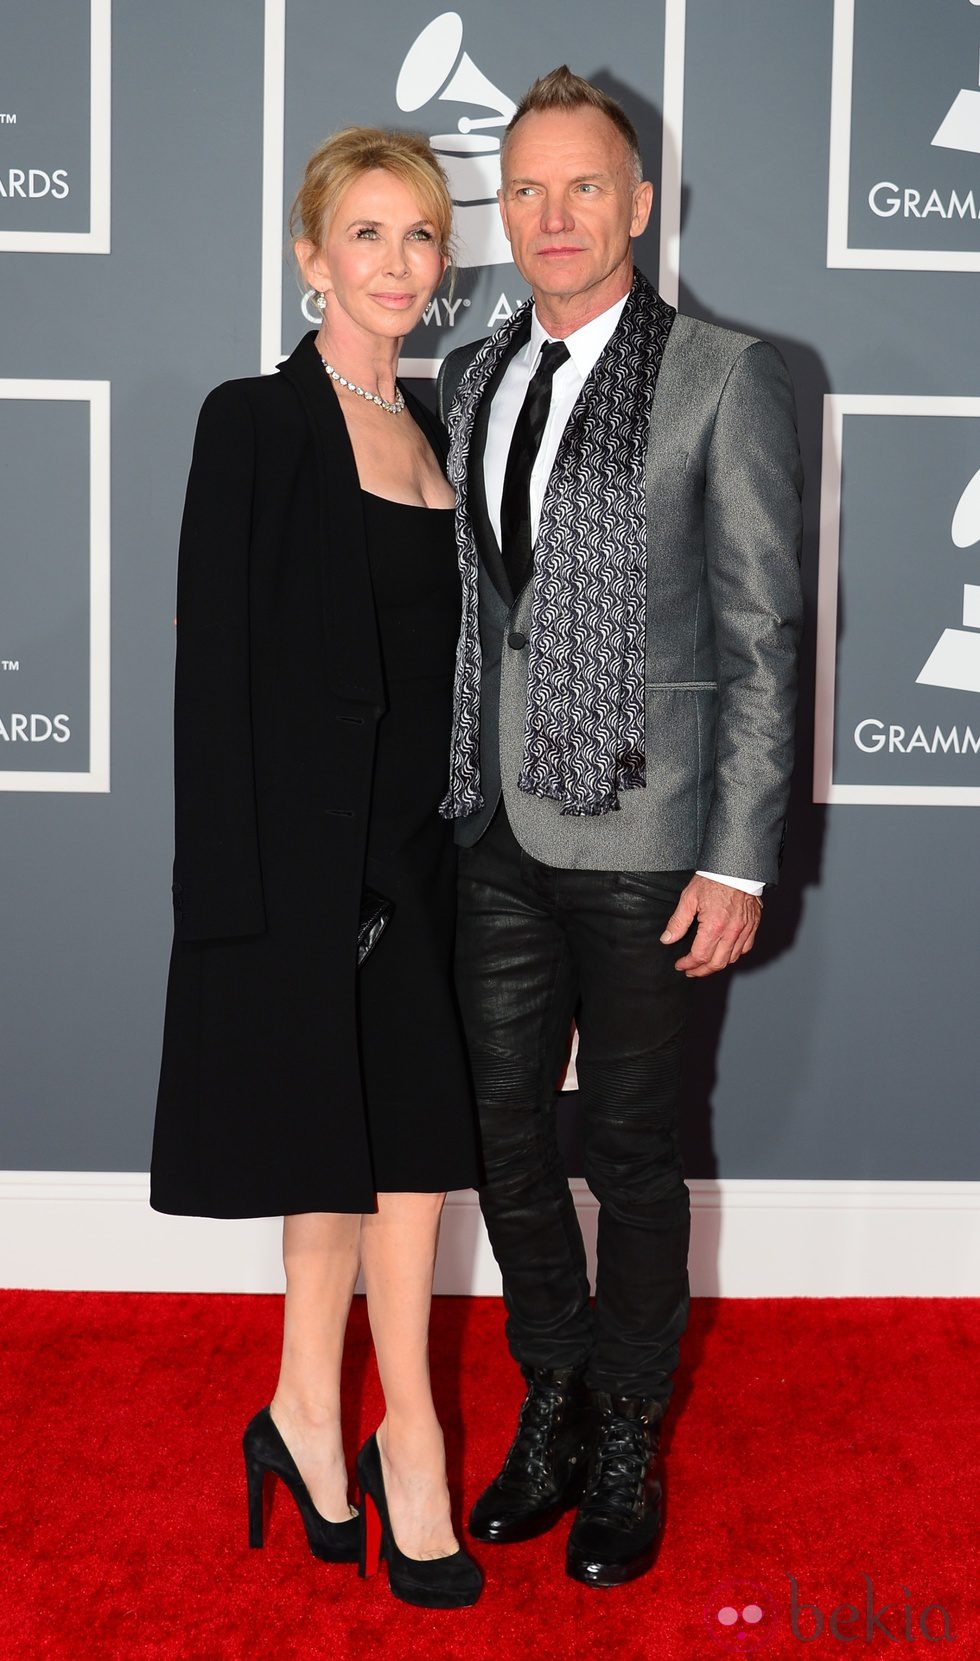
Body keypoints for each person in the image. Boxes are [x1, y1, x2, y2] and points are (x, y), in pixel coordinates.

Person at [438, 68, 804, 1588]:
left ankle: (632, 1425)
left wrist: (739, 851)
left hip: (655, 836)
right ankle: (559, 1393)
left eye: (584, 187)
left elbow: (764, 625)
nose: (553, 218)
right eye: (526, 191)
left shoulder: (725, 371)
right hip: (499, 832)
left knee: (635, 1155)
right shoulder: (471, 373)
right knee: (510, 1146)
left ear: (641, 204)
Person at [150, 127, 482, 1611]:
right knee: (330, 1158)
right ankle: (363, 1428)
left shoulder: (438, 435)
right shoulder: (254, 423)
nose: (399, 264)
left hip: (423, 857)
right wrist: (234, 905)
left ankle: (349, 1417)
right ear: (310, 258)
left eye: (420, 236)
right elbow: (207, 671)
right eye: (367, 235)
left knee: (407, 1155)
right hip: (299, 864)